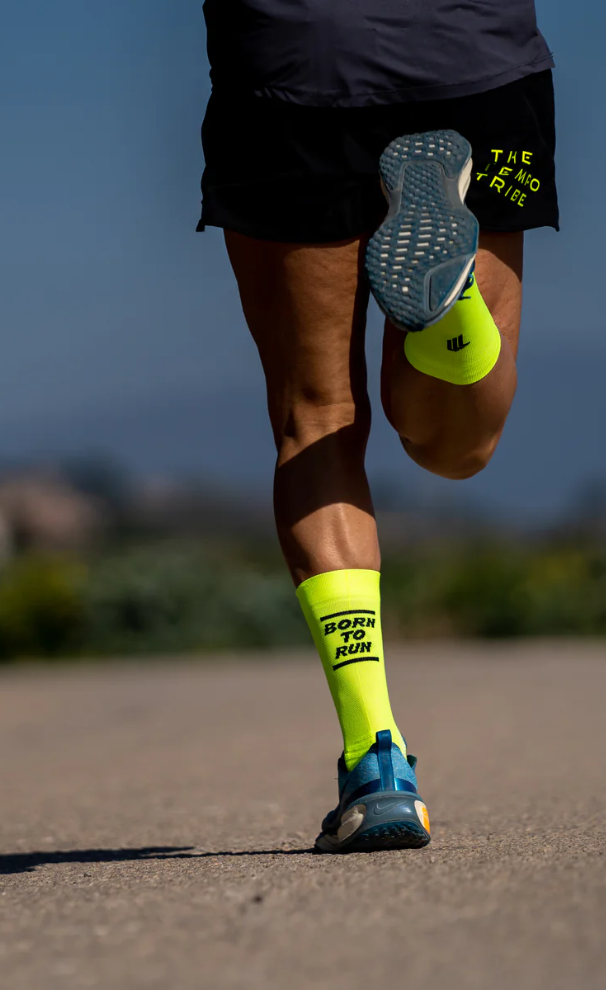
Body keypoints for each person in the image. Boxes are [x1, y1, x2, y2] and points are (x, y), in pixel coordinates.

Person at [198, 0, 559, 852]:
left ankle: (377, 758)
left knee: (316, 418)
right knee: (457, 445)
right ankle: (453, 311)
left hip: (289, 70)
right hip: (478, 67)